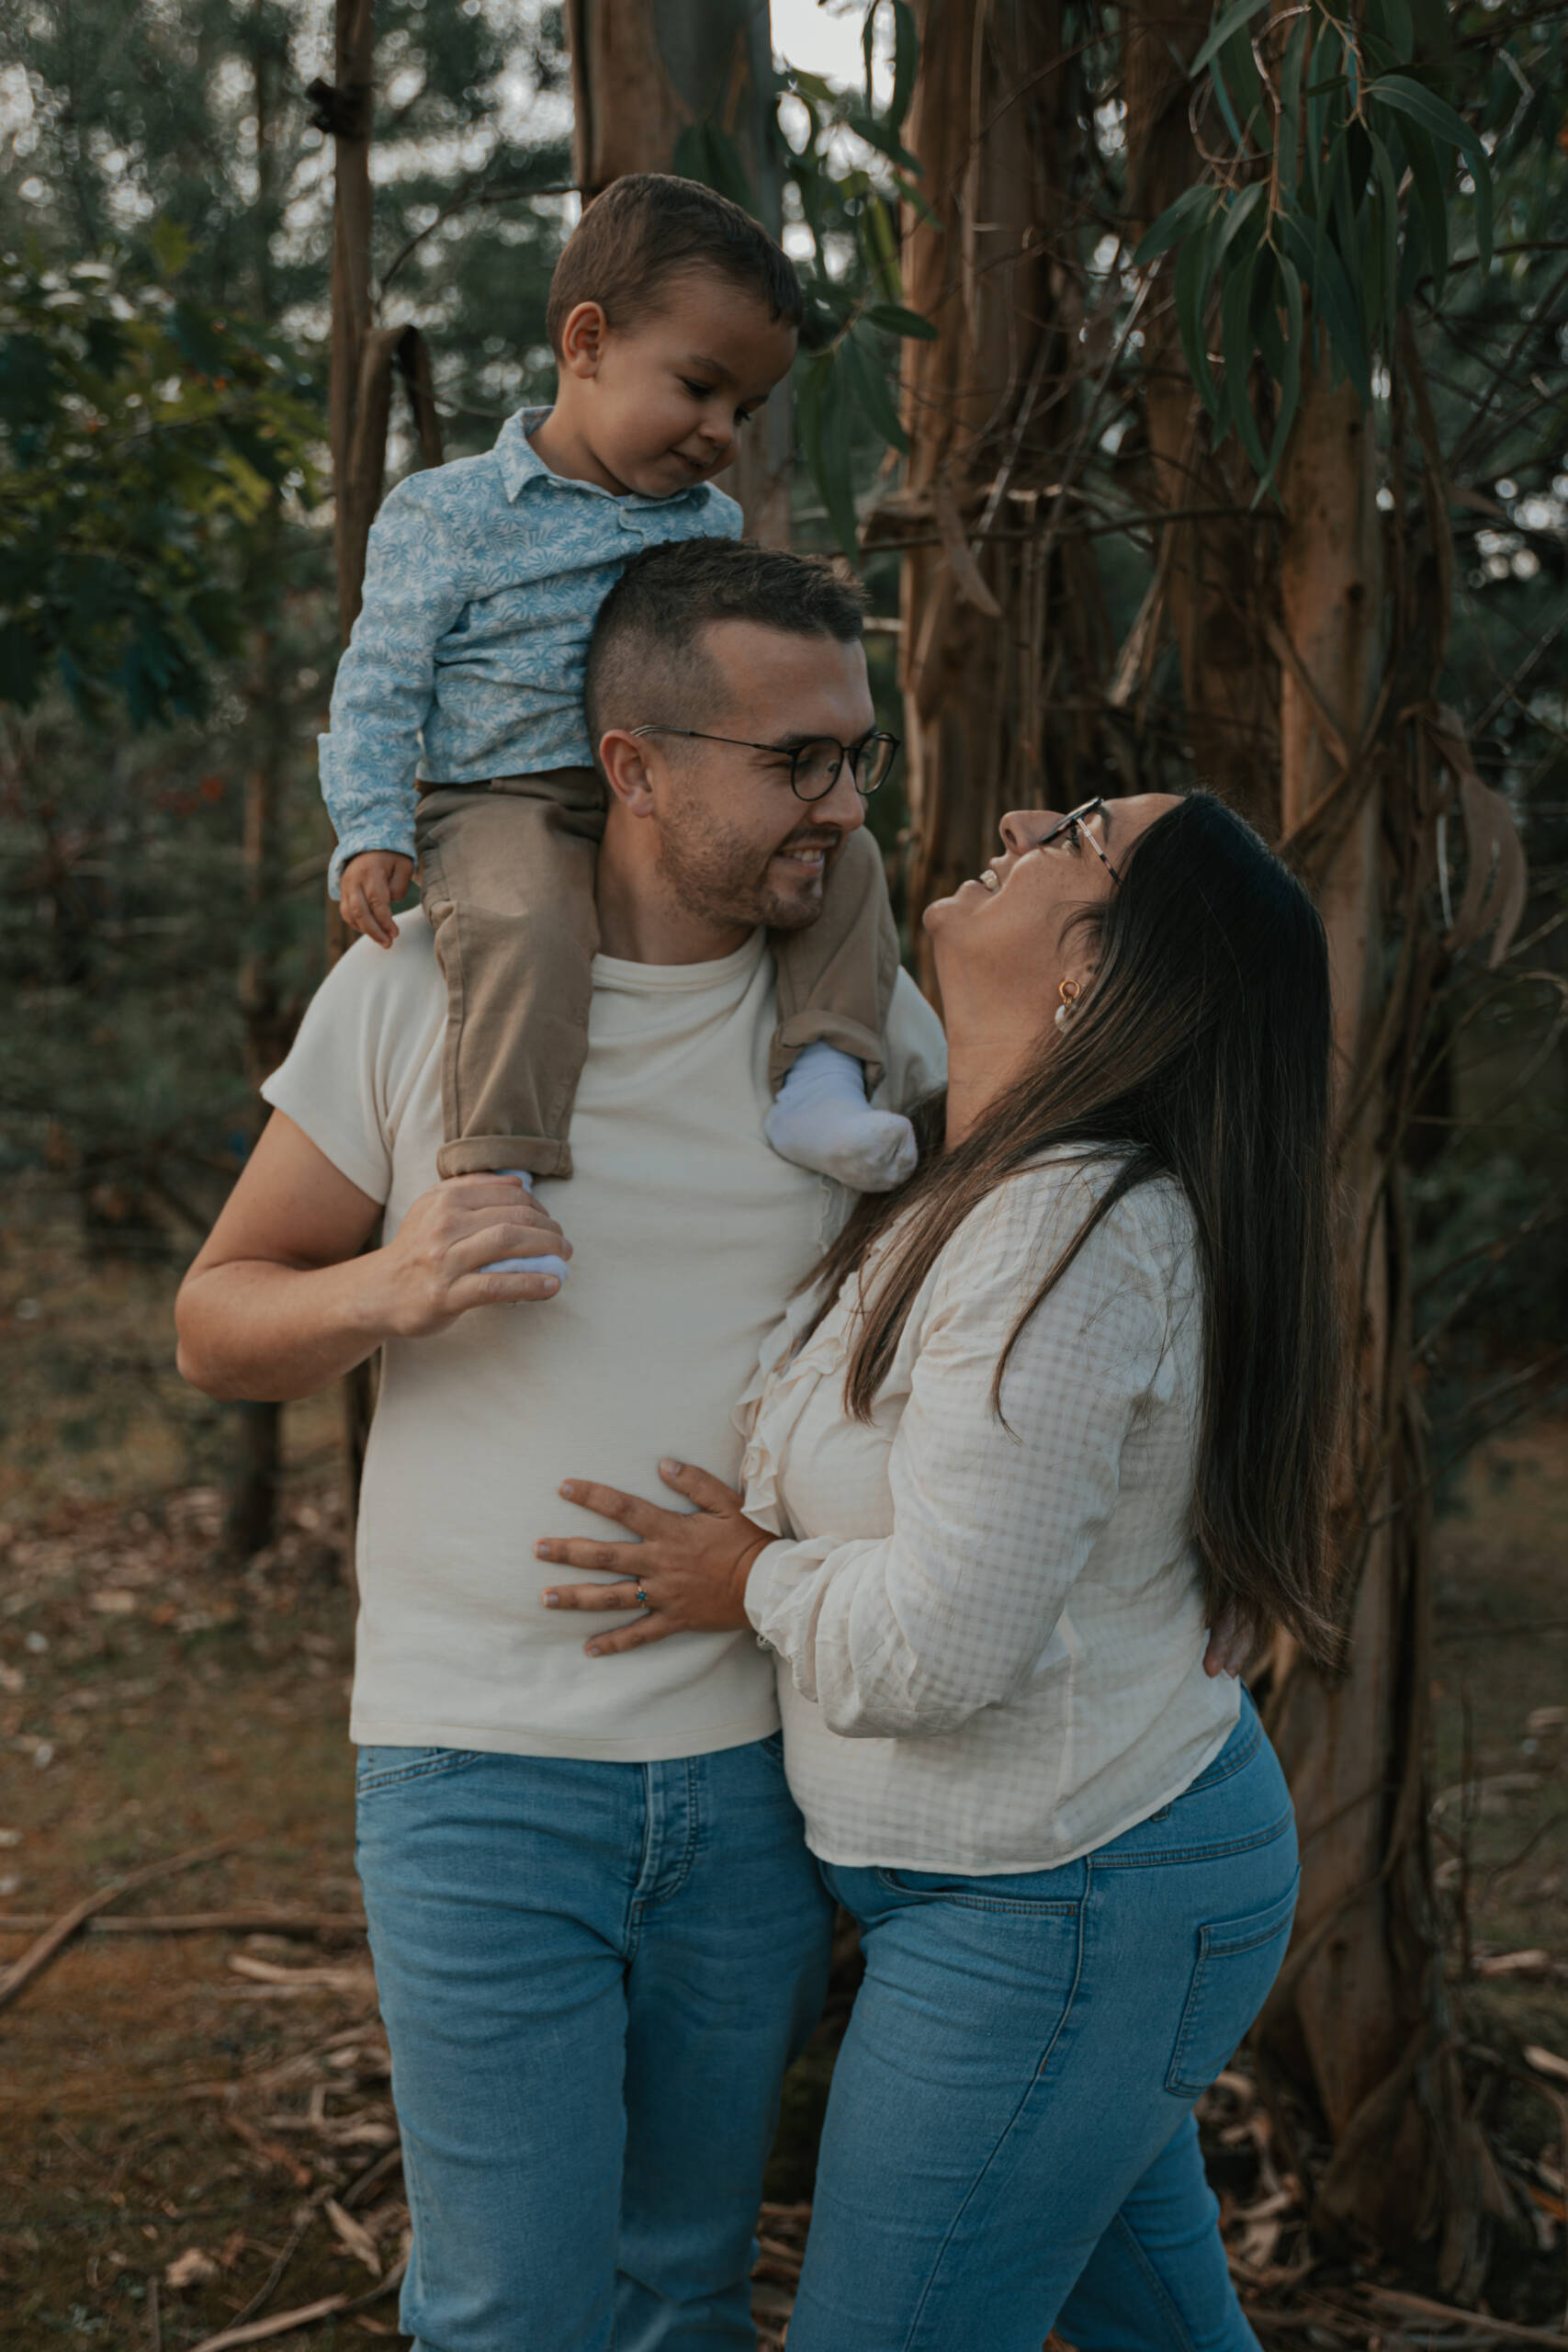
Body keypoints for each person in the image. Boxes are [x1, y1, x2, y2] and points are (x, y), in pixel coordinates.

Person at [174, 538, 947, 2352]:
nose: (843, 806)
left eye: (856, 756)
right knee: (510, 2305)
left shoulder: (858, 1034)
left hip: (759, 1767)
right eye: (796, 760)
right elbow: (215, 1321)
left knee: (681, 2286)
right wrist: (392, 1281)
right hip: (475, 1767)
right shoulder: (421, 985)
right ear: (633, 766)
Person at [536, 788, 1341, 2352]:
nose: (1020, 814)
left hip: (1067, 1901)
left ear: (1093, 969)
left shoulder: (1063, 1231)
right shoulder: (967, 1180)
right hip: (1057, 1888)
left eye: (1078, 831)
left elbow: (942, 1648)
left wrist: (745, 1580)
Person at [322, 172, 917, 1217]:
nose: (721, 431)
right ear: (587, 342)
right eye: (699, 387)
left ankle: (822, 1079)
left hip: (660, 786)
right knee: (527, 917)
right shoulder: (449, 514)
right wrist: (370, 826)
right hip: (503, 795)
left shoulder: (705, 523)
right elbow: (380, 683)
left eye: (745, 409)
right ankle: (499, 1167)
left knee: (845, 855)